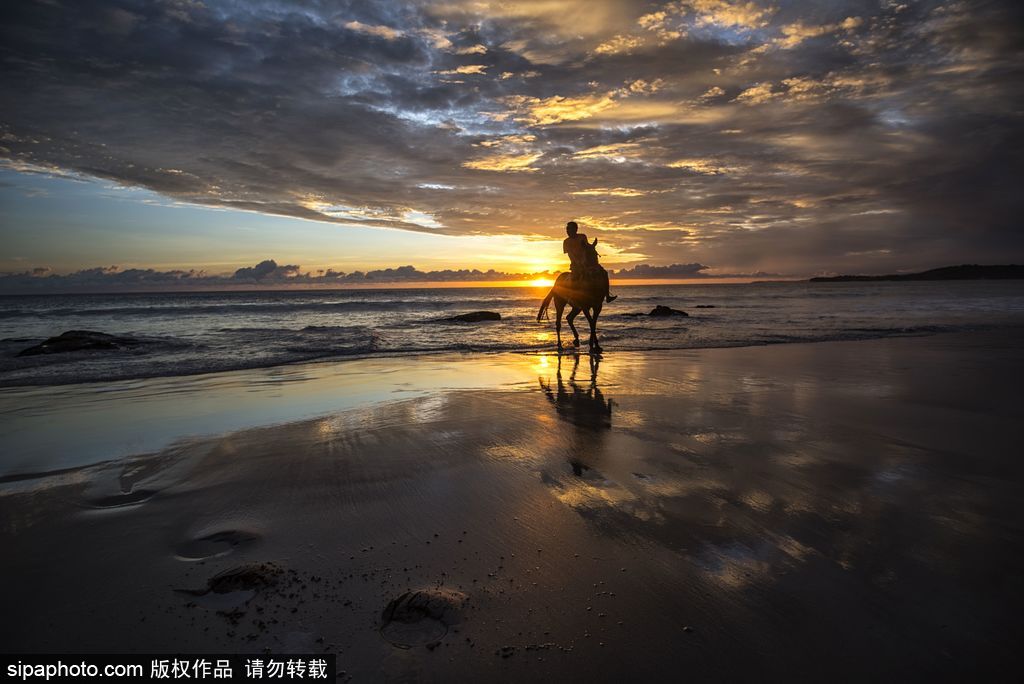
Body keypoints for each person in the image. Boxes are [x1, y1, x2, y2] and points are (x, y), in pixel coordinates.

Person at [562, 221, 616, 303]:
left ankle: (607, 295)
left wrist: (592, 247)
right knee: (574, 278)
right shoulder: (566, 242)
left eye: (569, 229)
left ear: (575, 229)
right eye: (567, 229)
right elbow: (570, 254)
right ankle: (571, 297)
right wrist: (578, 262)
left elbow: (587, 248)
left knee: (604, 273)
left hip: (587, 262)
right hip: (575, 264)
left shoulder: (582, 236)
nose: (568, 231)